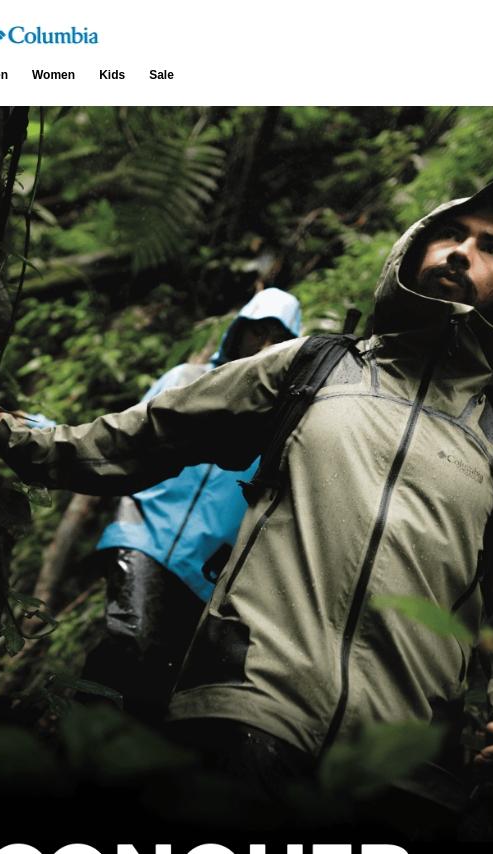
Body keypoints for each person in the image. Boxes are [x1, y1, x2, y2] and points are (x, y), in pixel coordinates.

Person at [0, 180, 493, 817]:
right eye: (450, 235)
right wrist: (17, 436)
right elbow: (147, 434)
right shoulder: (314, 369)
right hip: (247, 712)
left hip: (402, 766)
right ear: (413, 251)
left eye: (491, 247)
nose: (462, 253)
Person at [26, 287, 303, 722]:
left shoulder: (279, 420)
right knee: (130, 640)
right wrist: (37, 429)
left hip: (205, 568)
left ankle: (88, 744)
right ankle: (76, 737)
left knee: (159, 684)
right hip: (143, 533)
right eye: (257, 332)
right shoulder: (186, 379)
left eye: (278, 338)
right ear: (238, 331)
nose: (264, 346)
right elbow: (122, 436)